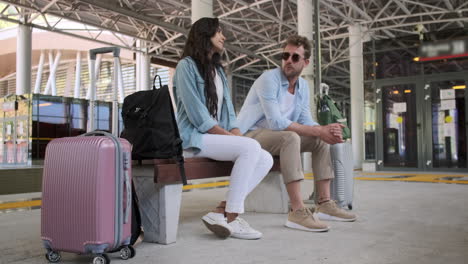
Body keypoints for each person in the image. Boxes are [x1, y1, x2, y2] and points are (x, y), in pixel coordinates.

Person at [237, 34, 357, 232]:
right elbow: (276, 122)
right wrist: (318, 130)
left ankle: (325, 203)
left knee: (320, 140)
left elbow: (305, 120)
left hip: (277, 137)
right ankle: (297, 210)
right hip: (251, 135)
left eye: (295, 57)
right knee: (290, 137)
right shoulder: (269, 79)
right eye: (285, 56)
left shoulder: (302, 87)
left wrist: (326, 130)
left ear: (306, 62)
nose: (288, 61)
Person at [173, 17, 273, 240]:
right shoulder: (185, 67)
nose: (224, 36)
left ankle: (221, 211)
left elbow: (229, 115)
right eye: (218, 31)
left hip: (212, 139)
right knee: (250, 148)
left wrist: (237, 136)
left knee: (265, 158)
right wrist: (239, 141)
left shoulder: (218, 72)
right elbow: (198, 117)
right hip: (193, 139)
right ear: (204, 34)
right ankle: (232, 216)